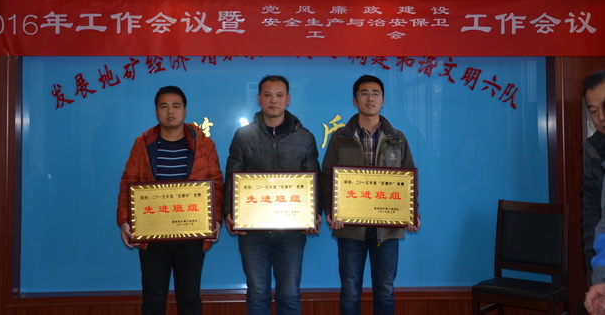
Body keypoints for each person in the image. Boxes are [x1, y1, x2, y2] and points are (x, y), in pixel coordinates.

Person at [117, 85, 224, 315]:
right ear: (156, 111)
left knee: (189, 297)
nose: (170, 111)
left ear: (185, 110)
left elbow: (216, 183)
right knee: (153, 298)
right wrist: (125, 220)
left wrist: (215, 219)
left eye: (176, 106)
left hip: (191, 233)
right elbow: (129, 181)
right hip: (152, 233)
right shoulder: (143, 143)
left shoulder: (204, 144)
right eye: (164, 106)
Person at [321, 74, 419, 315]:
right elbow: (327, 177)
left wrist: (412, 213)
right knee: (350, 291)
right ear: (355, 100)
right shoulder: (340, 137)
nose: (370, 98)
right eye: (364, 93)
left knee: (385, 291)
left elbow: (408, 180)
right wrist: (331, 211)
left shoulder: (397, 138)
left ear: (383, 100)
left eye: (376, 93)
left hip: (387, 229)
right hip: (350, 228)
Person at [223, 75, 321, 315]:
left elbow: (314, 179)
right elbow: (232, 177)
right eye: (267, 95)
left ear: (288, 99)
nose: (273, 101)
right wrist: (228, 211)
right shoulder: (244, 135)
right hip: (252, 231)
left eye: (279, 95)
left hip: (292, 231)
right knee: (257, 293)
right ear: (259, 99)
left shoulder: (304, 137)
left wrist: (315, 213)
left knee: (290, 293)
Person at [583, 72, 605, 315]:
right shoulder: (594, 150)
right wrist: (598, 275)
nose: (601, 117)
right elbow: (595, 216)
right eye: (593, 110)